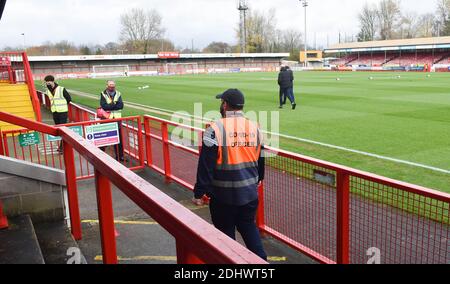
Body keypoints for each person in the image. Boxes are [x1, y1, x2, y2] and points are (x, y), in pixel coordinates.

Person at [192, 89, 267, 260]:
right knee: (248, 227)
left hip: (222, 196)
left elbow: (206, 165)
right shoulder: (255, 127)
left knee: (226, 238)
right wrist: (259, 179)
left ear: (225, 105)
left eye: (221, 102)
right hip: (249, 192)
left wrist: (198, 192)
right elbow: (261, 158)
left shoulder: (214, 129)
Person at [44, 75, 72, 153]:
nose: (47, 83)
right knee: (59, 130)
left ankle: (62, 147)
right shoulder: (48, 90)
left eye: (48, 81)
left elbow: (69, 99)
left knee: (63, 130)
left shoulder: (61, 89)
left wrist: (62, 105)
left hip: (62, 112)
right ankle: (63, 145)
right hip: (55, 112)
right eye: (46, 82)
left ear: (52, 81)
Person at [99, 80, 125, 162]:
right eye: (110, 85)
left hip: (117, 119)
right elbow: (104, 106)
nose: (112, 86)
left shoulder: (118, 93)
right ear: (107, 86)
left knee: (119, 139)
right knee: (105, 137)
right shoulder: (103, 94)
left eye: (113, 85)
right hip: (107, 119)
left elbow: (121, 105)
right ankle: (100, 156)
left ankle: (120, 156)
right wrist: (114, 104)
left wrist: (111, 106)